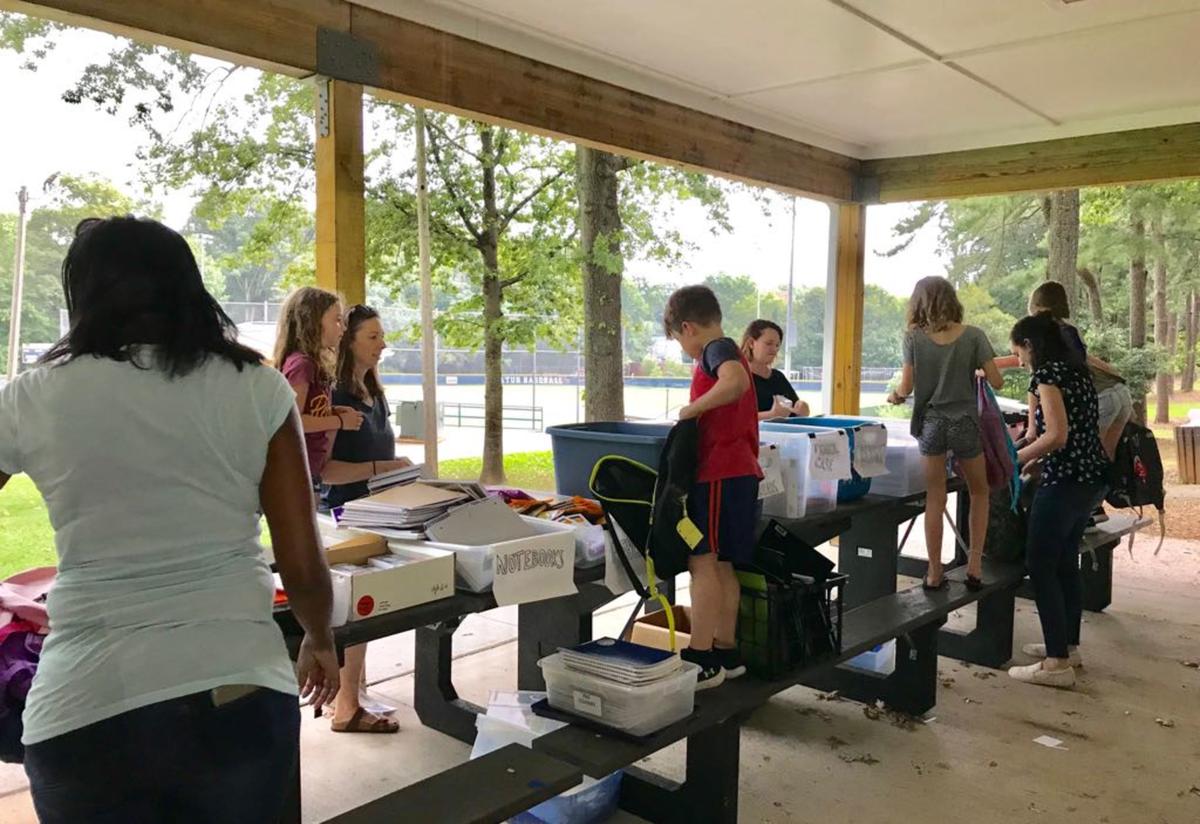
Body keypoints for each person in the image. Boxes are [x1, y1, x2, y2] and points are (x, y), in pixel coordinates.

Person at [0, 217, 339, 822]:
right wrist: (319, 637)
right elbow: (300, 560)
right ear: (189, 285)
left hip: (85, 704)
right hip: (237, 689)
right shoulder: (257, 388)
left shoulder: (33, 395)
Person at [320, 305, 413, 734]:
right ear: (349, 342)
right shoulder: (336, 398)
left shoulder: (374, 391)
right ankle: (346, 706)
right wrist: (383, 468)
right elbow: (326, 471)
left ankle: (352, 689)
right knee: (357, 612)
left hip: (380, 512)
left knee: (368, 611)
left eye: (382, 336)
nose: (382, 344)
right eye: (372, 337)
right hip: (345, 515)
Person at [664, 285, 761, 689]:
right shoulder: (726, 347)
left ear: (687, 328)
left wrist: (691, 409)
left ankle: (700, 656)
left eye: (678, 341)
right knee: (722, 565)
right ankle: (725, 648)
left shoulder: (715, 351)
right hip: (739, 472)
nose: (683, 349)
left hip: (718, 472)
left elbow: (735, 382)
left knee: (701, 562)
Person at [1007, 313, 1109, 689]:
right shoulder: (1079, 371)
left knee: (1040, 563)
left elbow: (1058, 435)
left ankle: (1056, 665)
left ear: (1030, 345)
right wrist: (1035, 456)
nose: (1019, 360)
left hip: (1065, 481)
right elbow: (1076, 431)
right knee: (1066, 561)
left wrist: (1015, 458)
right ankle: (1067, 646)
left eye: (1018, 352)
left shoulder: (1047, 375)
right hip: (1089, 478)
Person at [888, 276, 1003, 591]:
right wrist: (976, 368)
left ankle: (935, 572)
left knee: (935, 498)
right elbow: (997, 382)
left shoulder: (913, 338)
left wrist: (896, 396)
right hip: (965, 422)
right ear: (952, 301)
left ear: (919, 304)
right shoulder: (974, 336)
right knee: (979, 492)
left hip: (932, 423)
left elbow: (907, 386)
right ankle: (975, 566)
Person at [997, 281, 1132, 462]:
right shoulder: (1069, 332)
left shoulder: (1046, 344)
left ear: (1037, 309)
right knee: (1106, 459)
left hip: (1103, 396)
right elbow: (1086, 360)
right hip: (1118, 391)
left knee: (1088, 457)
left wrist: (1031, 430)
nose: (1021, 362)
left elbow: (1036, 382)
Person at [273, 287, 364, 497]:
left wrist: (331, 411)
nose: (342, 329)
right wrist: (340, 422)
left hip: (309, 470)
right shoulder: (302, 365)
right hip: (295, 472)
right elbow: (293, 421)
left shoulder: (313, 364)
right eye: (337, 320)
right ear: (312, 321)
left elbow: (308, 409)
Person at [741, 319, 812, 421]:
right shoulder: (739, 377)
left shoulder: (778, 377)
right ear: (751, 343)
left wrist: (803, 409)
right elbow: (735, 420)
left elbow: (796, 408)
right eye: (769, 343)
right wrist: (771, 415)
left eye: (777, 345)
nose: (774, 350)